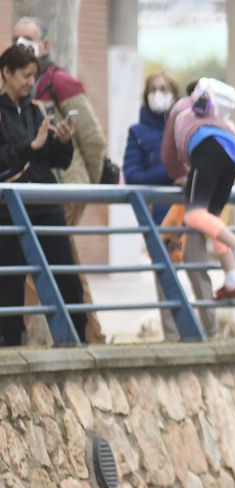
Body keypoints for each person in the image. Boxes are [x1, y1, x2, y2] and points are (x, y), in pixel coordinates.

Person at [13, 16, 108, 344]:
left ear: (46, 45)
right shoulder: (17, 92)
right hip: (33, 189)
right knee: (52, 266)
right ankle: (77, 335)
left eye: (28, 38)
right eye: (17, 38)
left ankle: (81, 335)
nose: (21, 44)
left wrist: (88, 187)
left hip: (63, 187)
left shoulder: (59, 82)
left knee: (56, 266)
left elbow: (92, 139)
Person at [0, 43, 86, 345]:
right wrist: (30, 147)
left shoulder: (36, 110)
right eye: (24, 75)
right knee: (9, 279)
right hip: (9, 206)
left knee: (65, 272)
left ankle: (78, 336)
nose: (29, 82)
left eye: (33, 76)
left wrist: (62, 142)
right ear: (6, 74)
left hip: (45, 202)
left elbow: (55, 159)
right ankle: (9, 341)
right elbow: (12, 155)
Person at [124, 71, 217, 340]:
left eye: (165, 89)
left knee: (199, 274)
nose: (159, 94)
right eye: (154, 89)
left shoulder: (190, 127)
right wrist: (171, 173)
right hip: (160, 219)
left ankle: (211, 334)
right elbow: (133, 176)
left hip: (191, 214)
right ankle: (172, 339)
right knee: (166, 280)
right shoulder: (137, 133)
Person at [161, 77, 235, 301]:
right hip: (233, 153)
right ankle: (232, 279)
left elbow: (169, 152)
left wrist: (180, 175)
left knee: (194, 214)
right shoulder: (220, 115)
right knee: (212, 219)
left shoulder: (181, 108)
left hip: (207, 148)